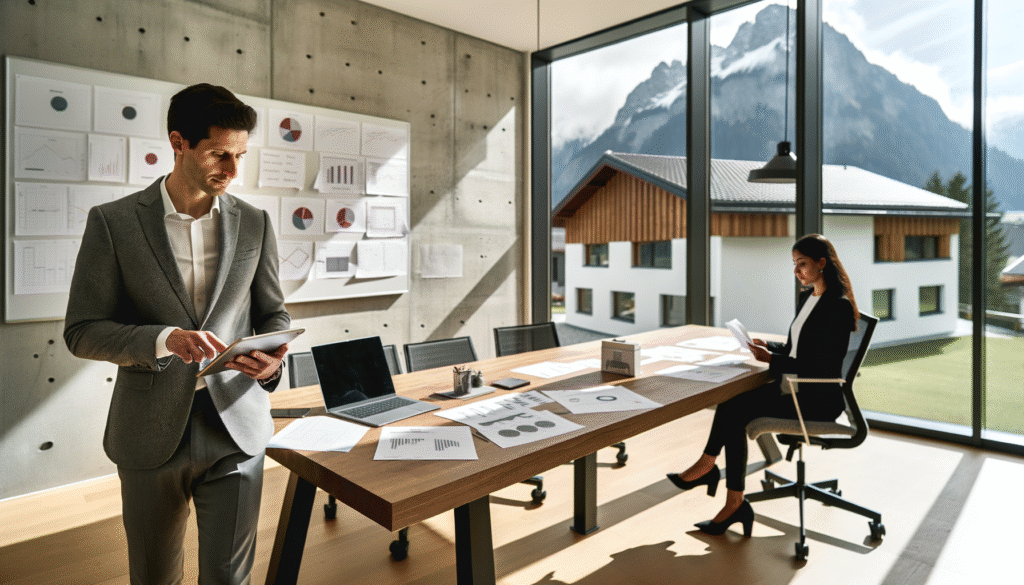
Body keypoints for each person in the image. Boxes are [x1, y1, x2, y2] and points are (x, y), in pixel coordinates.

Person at [64, 84, 291, 584]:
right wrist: (165, 339)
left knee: (229, 578)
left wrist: (273, 360)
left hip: (236, 424)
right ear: (178, 142)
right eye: (219, 154)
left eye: (240, 156)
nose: (232, 171)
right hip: (148, 430)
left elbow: (274, 314)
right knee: (153, 575)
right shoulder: (114, 223)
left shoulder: (255, 223)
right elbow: (82, 331)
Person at [666, 234, 858, 536]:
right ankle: (725, 490)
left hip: (815, 399)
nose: (797, 272)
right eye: (794, 265)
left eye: (802, 264)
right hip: (797, 387)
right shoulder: (810, 298)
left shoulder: (838, 306)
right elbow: (798, 349)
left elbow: (819, 368)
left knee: (735, 408)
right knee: (733, 402)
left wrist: (770, 359)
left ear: (822, 263)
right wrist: (765, 346)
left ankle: (716, 478)